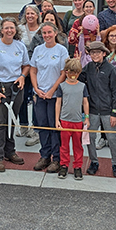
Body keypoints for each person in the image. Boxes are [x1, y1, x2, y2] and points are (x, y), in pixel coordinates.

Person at [0, 18, 29, 172]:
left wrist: (22, 76)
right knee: (0, 122)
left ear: (15, 29)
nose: (9, 30)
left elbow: (26, 65)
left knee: (12, 119)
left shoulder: (20, 46)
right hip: (0, 87)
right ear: (1, 30)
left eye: (12, 28)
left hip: (16, 87)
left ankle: (10, 152)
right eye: (6, 28)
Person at [80, 40, 116, 177]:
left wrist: (114, 113)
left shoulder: (110, 69)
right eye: (92, 52)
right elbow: (79, 80)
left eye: (98, 52)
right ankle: (94, 161)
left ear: (104, 53)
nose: (95, 55)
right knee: (90, 137)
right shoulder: (88, 67)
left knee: (112, 138)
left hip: (107, 111)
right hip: (92, 110)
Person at [29, 22, 68, 173]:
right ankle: (45, 155)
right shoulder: (38, 50)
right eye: (44, 33)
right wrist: (36, 89)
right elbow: (33, 70)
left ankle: (56, 158)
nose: (46, 36)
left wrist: (53, 90)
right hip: (40, 95)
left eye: (49, 32)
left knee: (54, 127)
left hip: (54, 95)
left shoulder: (61, 50)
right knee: (42, 126)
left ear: (55, 32)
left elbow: (64, 73)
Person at [55, 58, 89, 180]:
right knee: (64, 146)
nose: (73, 75)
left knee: (78, 146)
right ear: (66, 72)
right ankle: (63, 165)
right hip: (64, 120)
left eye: (76, 73)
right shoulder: (62, 86)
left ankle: (77, 166)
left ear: (79, 73)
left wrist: (87, 118)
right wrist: (57, 120)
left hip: (78, 121)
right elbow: (58, 103)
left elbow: (85, 102)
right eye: (70, 72)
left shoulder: (82, 86)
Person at [17, 4, 41, 145]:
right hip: (23, 68)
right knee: (22, 98)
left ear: (37, 15)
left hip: (38, 70)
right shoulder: (20, 29)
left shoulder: (42, 29)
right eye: (27, 14)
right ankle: (24, 125)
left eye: (32, 13)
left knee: (36, 98)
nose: (30, 16)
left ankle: (35, 129)